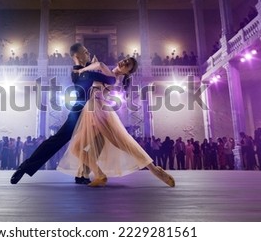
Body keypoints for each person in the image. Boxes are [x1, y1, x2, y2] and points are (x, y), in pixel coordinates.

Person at [56, 57, 175, 187]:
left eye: (127, 64)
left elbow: (101, 64)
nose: (123, 62)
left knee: (123, 142)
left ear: (127, 72)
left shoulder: (113, 77)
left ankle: (154, 170)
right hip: (92, 110)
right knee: (80, 147)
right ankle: (98, 174)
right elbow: (98, 72)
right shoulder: (112, 76)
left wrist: (82, 70)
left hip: (99, 111)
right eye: (125, 60)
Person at [10, 43, 116, 184]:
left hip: (91, 113)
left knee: (92, 143)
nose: (88, 52)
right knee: (57, 141)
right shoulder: (84, 72)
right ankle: (24, 167)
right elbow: (111, 80)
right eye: (85, 51)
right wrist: (100, 65)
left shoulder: (81, 71)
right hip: (79, 114)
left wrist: (94, 65)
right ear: (77, 56)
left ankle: (82, 175)